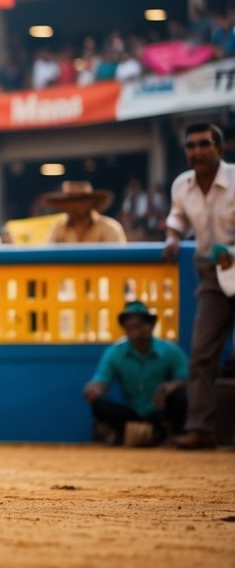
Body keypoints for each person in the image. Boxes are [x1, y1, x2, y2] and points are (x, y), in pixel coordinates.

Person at [162, 122, 235, 450]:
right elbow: (178, 217)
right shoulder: (182, 185)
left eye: (204, 144)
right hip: (210, 272)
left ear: (220, 149)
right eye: (191, 146)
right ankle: (201, 428)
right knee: (202, 353)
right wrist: (173, 238)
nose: (197, 151)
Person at [83, 301, 189, 446]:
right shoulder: (115, 352)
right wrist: (94, 389)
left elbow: (187, 378)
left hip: (159, 412)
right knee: (99, 406)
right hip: (132, 414)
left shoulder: (171, 351)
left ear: (151, 326)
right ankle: (147, 434)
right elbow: (101, 379)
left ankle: (165, 433)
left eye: (139, 325)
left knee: (181, 397)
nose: (134, 331)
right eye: (129, 326)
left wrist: (171, 386)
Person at [44, 181, 127, 244]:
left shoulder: (109, 228)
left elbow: (119, 261)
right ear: (64, 203)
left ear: (90, 202)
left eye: (81, 200)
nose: (75, 205)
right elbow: (47, 259)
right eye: (70, 200)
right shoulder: (58, 229)